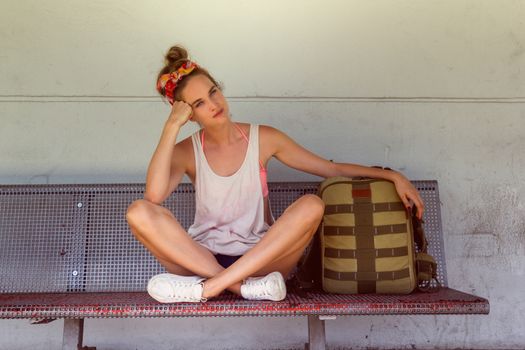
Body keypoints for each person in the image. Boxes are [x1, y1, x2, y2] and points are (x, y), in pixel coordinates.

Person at [126, 45, 424, 303]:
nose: (214, 104)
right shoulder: (185, 150)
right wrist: (170, 128)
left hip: (261, 261)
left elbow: (329, 169)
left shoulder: (264, 138)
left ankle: (212, 288)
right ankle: (239, 288)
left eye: (213, 92)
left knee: (313, 205)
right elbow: (153, 196)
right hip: (201, 260)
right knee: (139, 211)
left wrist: (391, 176)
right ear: (188, 114)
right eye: (199, 103)